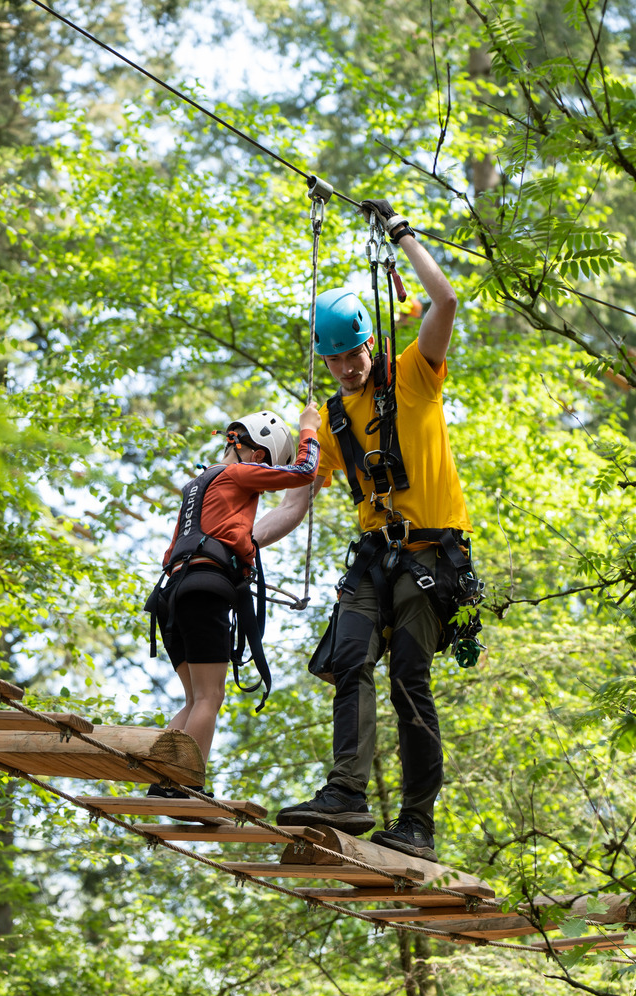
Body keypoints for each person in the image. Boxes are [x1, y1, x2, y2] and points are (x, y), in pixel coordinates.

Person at [270, 197, 476, 862]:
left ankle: (417, 822)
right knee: (346, 660)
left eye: (353, 355)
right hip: (372, 559)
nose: (345, 369)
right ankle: (345, 793)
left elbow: (443, 303)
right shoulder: (330, 418)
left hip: (432, 557)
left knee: (409, 676)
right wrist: (241, 541)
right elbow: (298, 502)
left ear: (370, 342)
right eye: (333, 361)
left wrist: (404, 236)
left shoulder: (414, 374)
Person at [144, 404, 321, 797]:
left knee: (194, 699)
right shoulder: (240, 472)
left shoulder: (200, 483)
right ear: (258, 456)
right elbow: (303, 472)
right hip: (203, 590)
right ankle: (184, 782)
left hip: (171, 593)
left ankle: (162, 779)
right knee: (211, 695)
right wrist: (309, 429)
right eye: (266, 467)